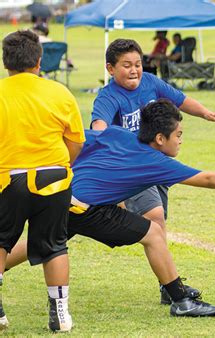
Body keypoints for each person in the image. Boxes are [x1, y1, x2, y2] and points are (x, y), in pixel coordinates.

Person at [5, 99, 215, 318]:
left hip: (61, 197)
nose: (181, 140)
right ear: (160, 138)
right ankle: (181, 300)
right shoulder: (157, 161)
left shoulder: (115, 133)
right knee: (152, 232)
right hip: (85, 208)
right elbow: (208, 178)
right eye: (178, 134)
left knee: (39, 244)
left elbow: (74, 142)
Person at [91, 38, 215, 304]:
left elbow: (180, 99)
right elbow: (99, 125)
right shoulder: (108, 96)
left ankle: (168, 285)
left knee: (158, 222)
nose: (133, 70)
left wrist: (206, 114)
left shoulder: (150, 83)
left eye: (137, 64)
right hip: (132, 170)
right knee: (156, 220)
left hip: (156, 164)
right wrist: (102, 140)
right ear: (110, 69)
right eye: (126, 66)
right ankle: (170, 287)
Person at [0, 30, 85, 332]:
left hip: (10, 178)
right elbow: (75, 141)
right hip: (56, 176)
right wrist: (62, 166)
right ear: (39, 61)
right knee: (55, 245)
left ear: (5, 61)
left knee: (1, 241)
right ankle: (60, 315)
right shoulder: (60, 92)